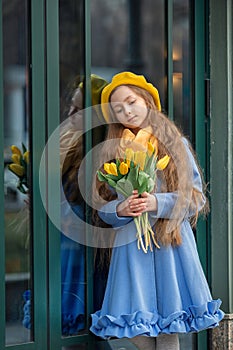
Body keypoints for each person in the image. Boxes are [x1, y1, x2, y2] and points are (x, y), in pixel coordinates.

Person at [90, 71, 225, 350]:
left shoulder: (176, 146)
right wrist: (121, 208)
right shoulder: (113, 152)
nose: (127, 111)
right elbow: (102, 209)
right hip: (132, 251)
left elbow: (195, 199)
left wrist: (156, 203)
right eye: (118, 109)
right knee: (135, 330)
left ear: (148, 102)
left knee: (167, 332)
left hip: (169, 248)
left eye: (131, 102)